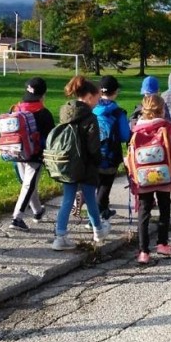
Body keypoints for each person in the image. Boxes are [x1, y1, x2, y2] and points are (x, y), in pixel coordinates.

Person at [52, 76, 111, 250]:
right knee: (90, 198)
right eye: (97, 99)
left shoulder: (66, 113)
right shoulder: (90, 118)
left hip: (68, 164)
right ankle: (98, 230)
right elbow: (94, 147)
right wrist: (99, 162)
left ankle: (60, 236)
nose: (98, 102)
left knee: (67, 199)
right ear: (89, 97)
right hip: (86, 166)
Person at [134, 94, 171, 264]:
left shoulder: (136, 128)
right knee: (164, 208)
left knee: (144, 212)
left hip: (143, 176)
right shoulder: (166, 126)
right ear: (162, 109)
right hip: (164, 174)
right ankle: (162, 243)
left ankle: (143, 251)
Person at [9, 78, 55, 232]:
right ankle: (17, 218)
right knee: (29, 185)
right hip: (35, 155)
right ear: (44, 94)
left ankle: (37, 211)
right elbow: (51, 136)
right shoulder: (43, 113)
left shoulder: (16, 109)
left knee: (28, 184)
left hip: (16, 152)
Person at [93, 75, 130, 221]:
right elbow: (125, 136)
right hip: (111, 155)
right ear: (116, 92)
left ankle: (104, 210)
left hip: (93, 154)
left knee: (97, 184)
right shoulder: (118, 112)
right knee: (105, 187)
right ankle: (95, 218)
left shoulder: (92, 110)